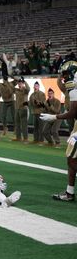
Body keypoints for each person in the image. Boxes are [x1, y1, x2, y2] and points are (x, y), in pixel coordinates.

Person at [40, 72, 77, 201]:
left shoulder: (73, 90)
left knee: (71, 159)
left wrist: (54, 116)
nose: (64, 79)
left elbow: (73, 111)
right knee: (72, 159)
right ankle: (69, 192)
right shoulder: (71, 89)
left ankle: (70, 193)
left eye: (66, 76)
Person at [12, 77, 30, 143]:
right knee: (17, 124)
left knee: (24, 124)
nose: (20, 84)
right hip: (17, 108)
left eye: (21, 83)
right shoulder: (16, 90)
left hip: (23, 108)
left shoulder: (25, 90)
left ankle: (26, 138)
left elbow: (28, 88)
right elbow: (10, 87)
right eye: (19, 83)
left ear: (23, 84)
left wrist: (25, 82)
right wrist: (15, 79)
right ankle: (18, 137)